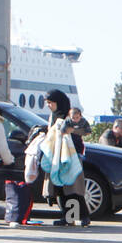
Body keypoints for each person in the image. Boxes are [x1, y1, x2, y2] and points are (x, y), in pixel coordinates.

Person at [44, 91, 90, 227]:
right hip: (57, 155)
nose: (48, 105)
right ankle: (68, 217)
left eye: (50, 102)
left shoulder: (70, 116)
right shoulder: (53, 115)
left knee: (72, 188)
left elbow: (83, 131)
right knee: (60, 188)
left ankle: (82, 216)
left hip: (70, 155)